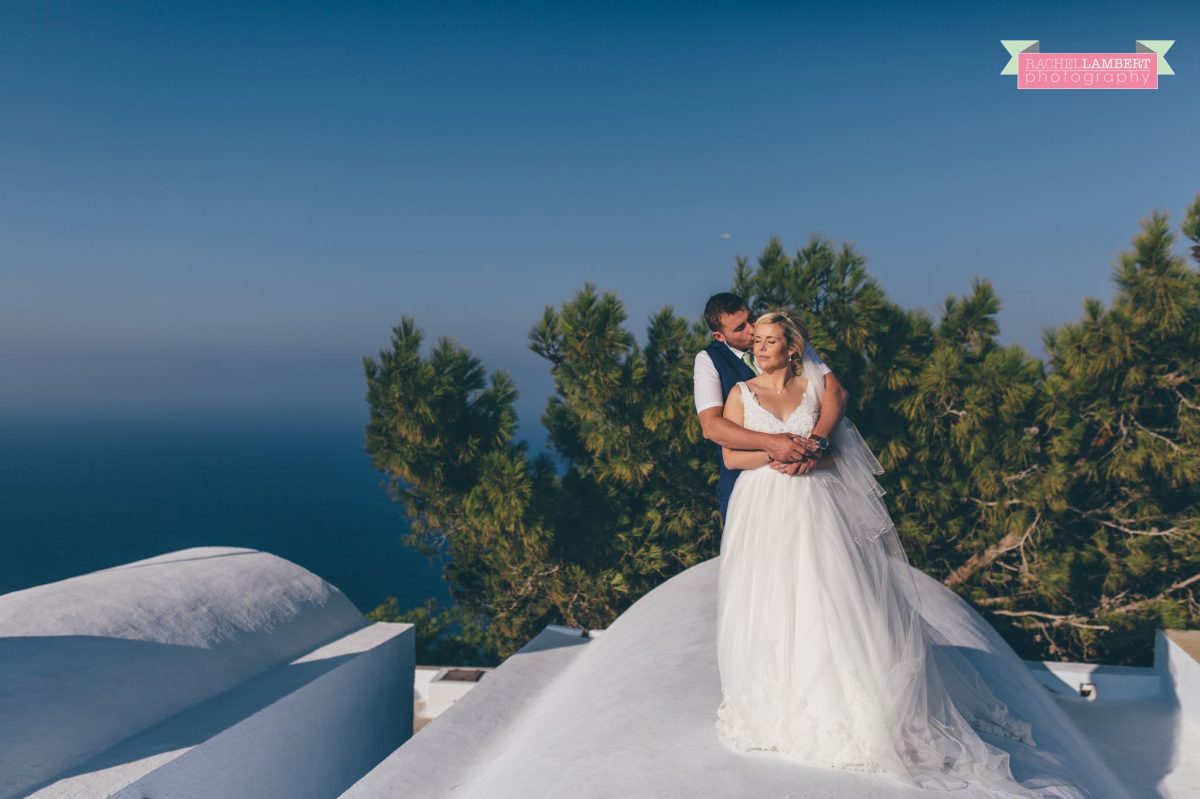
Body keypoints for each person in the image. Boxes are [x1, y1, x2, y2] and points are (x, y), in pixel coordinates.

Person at [713, 310, 1087, 797]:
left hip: (819, 503)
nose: (759, 348)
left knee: (832, 596)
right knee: (771, 596)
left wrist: (808, 456)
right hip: (764, 505)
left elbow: (838, 454)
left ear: (791, 347)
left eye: (769, 341)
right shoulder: (741, 394)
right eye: (756, 341)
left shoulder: (814, 390)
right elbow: (730, 456)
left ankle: (846, 703)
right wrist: (775, 452)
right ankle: (776, 701)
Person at [693, 292, 848, 521]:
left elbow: (836, 391)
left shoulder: (786, 341)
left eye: (751, 318)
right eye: (740, 328)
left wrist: (817, 444)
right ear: (719, 335)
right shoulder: (708, 360)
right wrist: (772, 445)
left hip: (813, 490)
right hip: (749, 489)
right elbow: (711, 427)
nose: (753, 329)